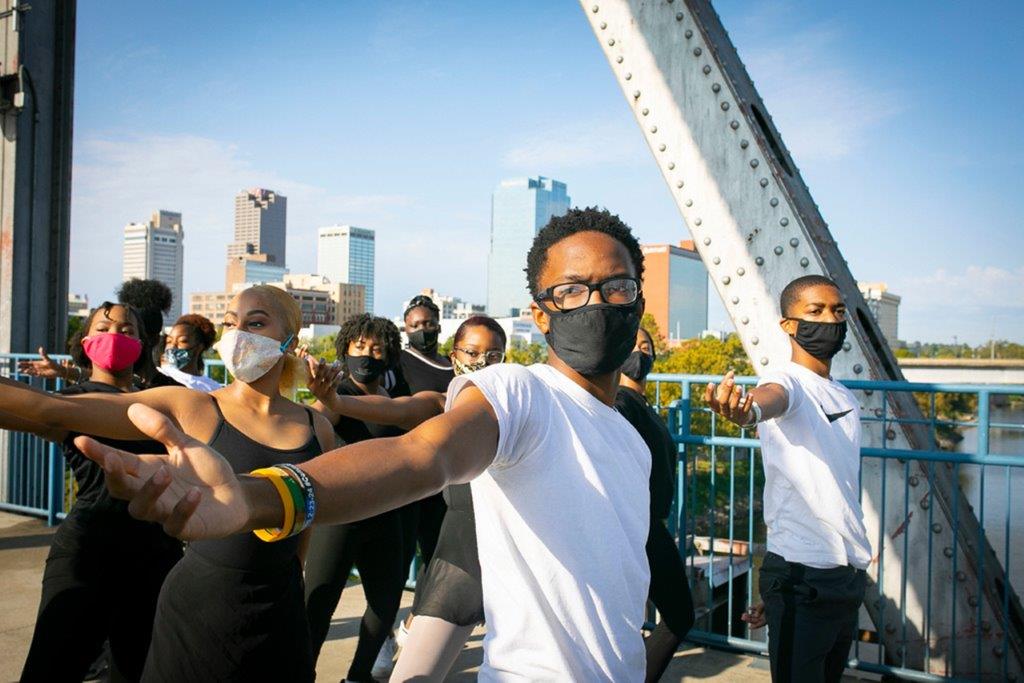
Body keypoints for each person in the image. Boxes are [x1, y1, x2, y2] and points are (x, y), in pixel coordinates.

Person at [77, 207, 657, 681]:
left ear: (638, 301)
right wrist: (259, 497)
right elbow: (422, 453)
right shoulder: (519, 391)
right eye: (572, 291)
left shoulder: (635, 445)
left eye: (615, 287)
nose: (596, 304)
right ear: (542, 313)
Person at [0, 285, 335, 682]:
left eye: (256, 324)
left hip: (280, 612)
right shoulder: (193, 405)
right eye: (230, 324)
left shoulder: (317, 426)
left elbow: (305, 519)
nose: (238, 335)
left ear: (290, 339)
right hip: (198, 609)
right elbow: (53, 410)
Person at [304, 316, 508, 682]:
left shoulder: (516, 412)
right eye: (472, 353)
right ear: (454, 356)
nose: (482, 363)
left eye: (493, 355)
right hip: (443, 553)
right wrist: (333, 400)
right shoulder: (441, 405)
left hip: (494, 552)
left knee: (386, 607)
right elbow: (398, 413)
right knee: (319, 606)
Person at [706, 274, 870, 683]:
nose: (830, 320)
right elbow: (768, 401)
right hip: (803, 576)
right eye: (815, 311)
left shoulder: (844, 395)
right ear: (788, 325)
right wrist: (745, 411)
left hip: (845, 575)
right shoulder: (787, 382)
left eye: (837, 311)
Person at [16, 302, 184, 683]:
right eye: (103, 329)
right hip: (87, 550)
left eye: (127, 331)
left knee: (140, 670)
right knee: (51, 666)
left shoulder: (160, 399)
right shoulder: (69, 401)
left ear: (142, 344)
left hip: (156, 554)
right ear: (86, 342)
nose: (115, 337)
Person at [301, 314, 410, 683]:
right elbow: (314, 420)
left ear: (389, 355)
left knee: (386, 602)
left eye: (377, 349)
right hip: (339, 516)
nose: (367, 355)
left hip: (384, 515)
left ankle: (358, 677)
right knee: (318, 605)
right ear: (345, 349)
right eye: (359, 346)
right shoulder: (338, 395)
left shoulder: (392, 401)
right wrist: (318, 398)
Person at [615, 327, 696, 681]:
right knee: (679, 614)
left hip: (648, 523)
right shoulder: (620, 403)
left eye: (645, 346)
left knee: (664, 616)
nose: (639, 352)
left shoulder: (642, 403)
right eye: (631, 345)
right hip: (637, 526)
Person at [157, 313, 221, 392]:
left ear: (199, 347)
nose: (172, 347)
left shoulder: (213, 388)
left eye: (182, 341)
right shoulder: (158, 376)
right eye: (169, 341)